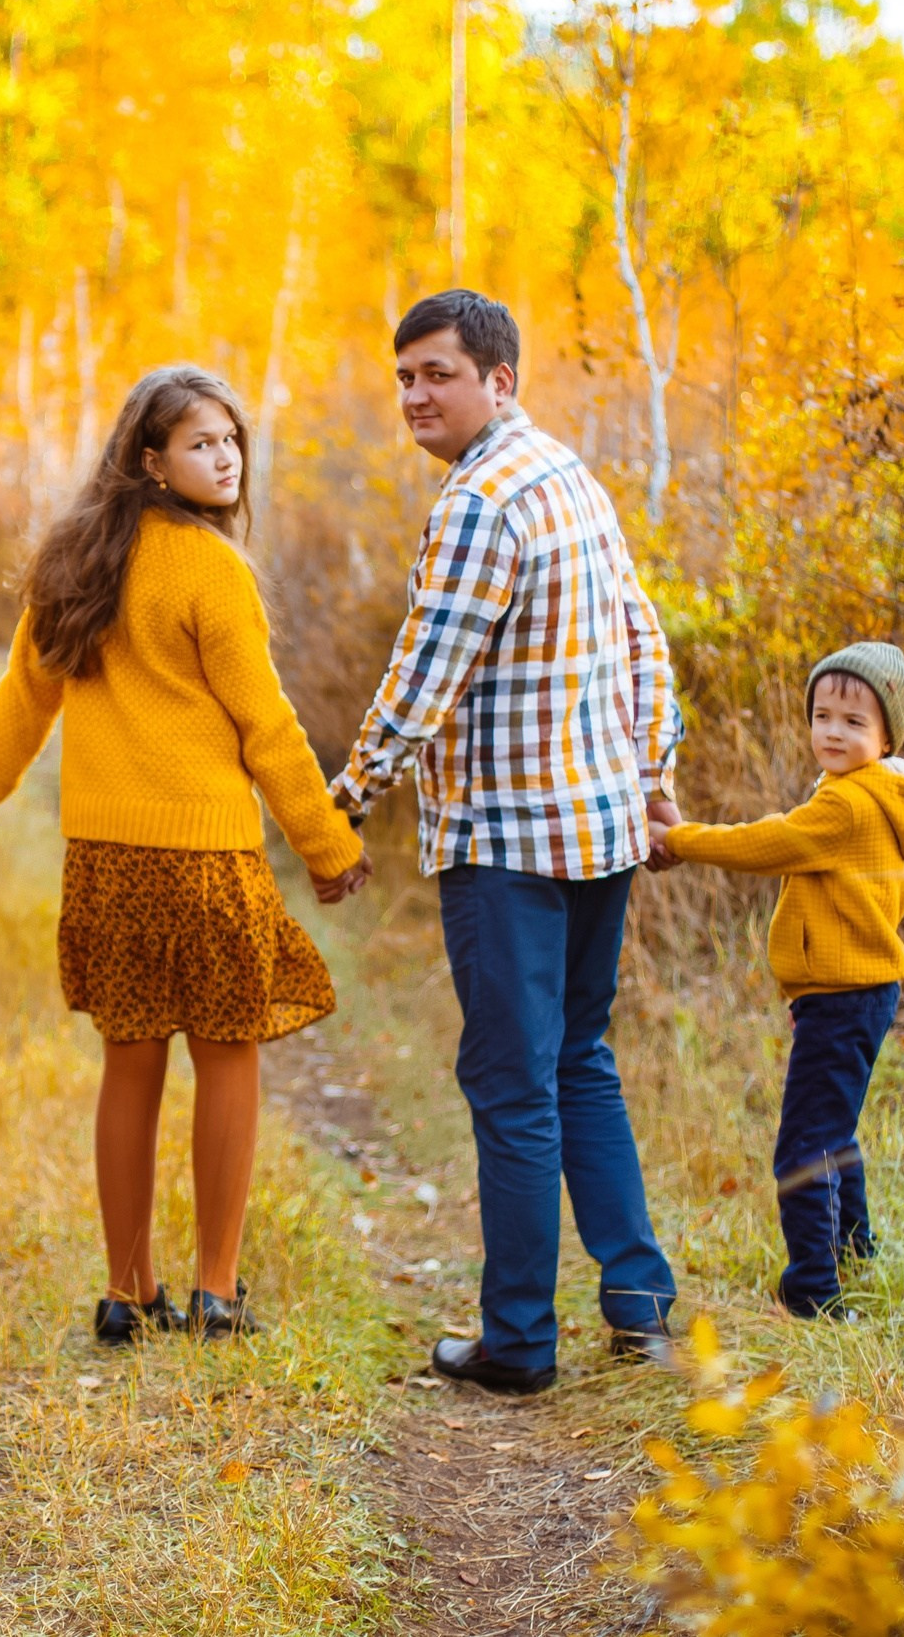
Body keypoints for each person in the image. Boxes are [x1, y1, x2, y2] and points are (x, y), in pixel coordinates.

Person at [0, 365, 371, 1343]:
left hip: (107, 863)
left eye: (232, 441)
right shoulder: (210, 569)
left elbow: (15, 716)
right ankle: (214, 1287)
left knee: (130, 1063)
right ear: (150, 459)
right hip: (203, 859)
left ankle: (126, 1293)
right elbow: (268, 726)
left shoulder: (74, 562)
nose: (225, 458)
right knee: (225, 1056)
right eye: (202, 443)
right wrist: (326, 846)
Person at [331, 289, 682, 1394]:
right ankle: (639, 1307)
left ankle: (518, 1341)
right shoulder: (567, 474)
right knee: (579, 1060)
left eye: (437, 373)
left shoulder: (481, 499)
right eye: (404, 378)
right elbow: (644, 639)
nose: (415, 396)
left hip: (511, 845)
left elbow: (422, 678)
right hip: (599, 831)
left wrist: (342, 795)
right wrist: (653, 775)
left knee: (513, 1085)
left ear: (499, 380)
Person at [650, 644, 904, 1319]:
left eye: (854, 721)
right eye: (823, 715)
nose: (833, 732)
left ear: (886, 734)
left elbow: (768, 842)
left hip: (846, 996)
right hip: (855, 992)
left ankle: (815, 1288)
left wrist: (683, 837)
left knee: (803, 1146)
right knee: (833, 1132)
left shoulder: (845, 806)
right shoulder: (872, 792)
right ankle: (854, 1251)